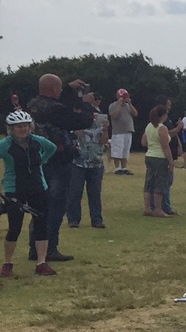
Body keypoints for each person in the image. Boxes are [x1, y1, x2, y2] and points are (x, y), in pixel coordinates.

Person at [28, 74, 95, 263]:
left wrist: (67, 89)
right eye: (59, 89)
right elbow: (81, 120)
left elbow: (57, 104)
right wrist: (84, 102)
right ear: (53, 89)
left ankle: (35, 247)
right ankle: (50, 248)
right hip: (58, 160)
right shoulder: (56, 110)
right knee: (55, 206)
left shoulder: (34, 104)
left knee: (39, 206)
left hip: (38, 160)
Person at [1, 110, 57, 276]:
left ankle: (41, 263)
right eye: (19, 126)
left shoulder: (38, 141)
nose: (23, 129)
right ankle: (7, 263)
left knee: (41, 224)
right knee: (14, 227)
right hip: (15, 189)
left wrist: (42, 161)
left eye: (25, 126)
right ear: (11, 128)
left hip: (39, 187)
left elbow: (51, 148)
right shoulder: (5, 145)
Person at [65, 91, 108, 230]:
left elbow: (103, 141)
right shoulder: (75, 121)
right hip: (78, 160)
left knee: (95, 193)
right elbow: (70, 136)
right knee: (75, 192)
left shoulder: (100, 121)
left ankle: (97, 219)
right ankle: (73, 219)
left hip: (96, 161)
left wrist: (106, 129)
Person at [141, 104, 175, 217]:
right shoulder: (162, 128)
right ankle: (158, 209)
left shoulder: (149, 126)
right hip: (160, 157)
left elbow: (144, 142)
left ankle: (147, 208)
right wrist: (171, 161)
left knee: (149, 183)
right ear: (163, 115)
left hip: (149, 155)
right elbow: (165, 146)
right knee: (159, 184)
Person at [108, 89, 137, 176]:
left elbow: (135, 113)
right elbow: (113, 116)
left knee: (125, 150)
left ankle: (124, 168)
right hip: (118, 131)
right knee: (117, 150)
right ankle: (117, 168)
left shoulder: (128, 106)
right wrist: (119, 105)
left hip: (128, 131)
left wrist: (130, 104)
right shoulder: (113, 105)